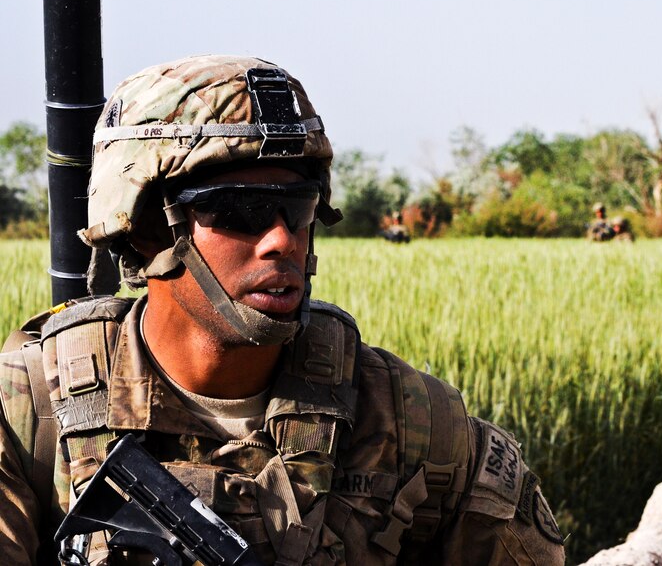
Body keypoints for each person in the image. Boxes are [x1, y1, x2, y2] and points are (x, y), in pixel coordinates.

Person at [0, 56, 565, 565]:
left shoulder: (420, 424)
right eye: (242, 211)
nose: (281, 240)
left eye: (298, 209)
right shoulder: (29, 411)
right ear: (147, 229)